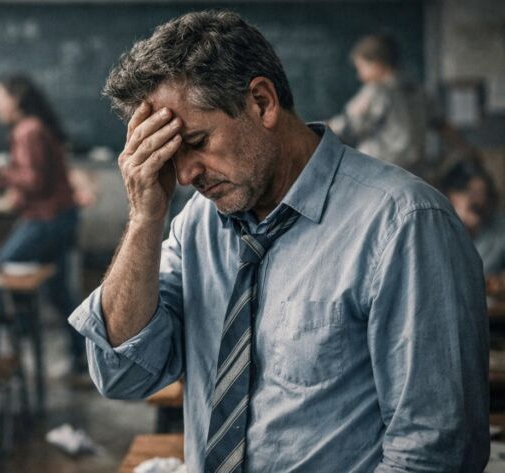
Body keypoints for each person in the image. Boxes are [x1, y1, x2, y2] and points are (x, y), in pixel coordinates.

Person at [69, 11, 488, 472]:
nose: (185, 175)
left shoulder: (404, 225)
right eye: (170, 155)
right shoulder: (197, 225)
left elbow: (432, 453)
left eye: (197, 141)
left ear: (262, 102)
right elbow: (123, 374)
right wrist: (145, 219)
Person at [0, 75, 82, 370]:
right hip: (60, 216)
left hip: (47, 218)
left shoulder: (28, 130)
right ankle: (81, 355)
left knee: (1, 268)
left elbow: (35, 181)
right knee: (58, 293)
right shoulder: (36, 127)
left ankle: (17, 342)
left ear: (15, 99)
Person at [327, 33, 428, 172]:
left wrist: (324, 126)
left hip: (379, 168)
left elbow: (350, 124)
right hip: (414, 171)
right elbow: (441, 124)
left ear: (376, 64)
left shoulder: (377, 90)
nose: (359, 76)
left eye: (361, 67)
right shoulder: (418, 90)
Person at [440, 159, 505, 297]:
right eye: (472, 193)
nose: (480, 201)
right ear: (452, 195)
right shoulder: (436, 229)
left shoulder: (500, 228)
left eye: (484, 194)